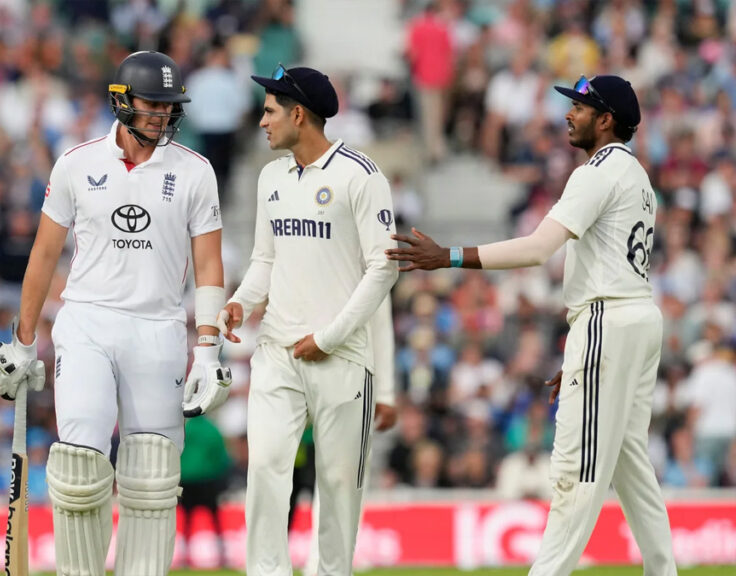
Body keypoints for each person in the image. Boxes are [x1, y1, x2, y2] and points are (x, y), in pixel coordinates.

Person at [386, 74, 677, 576]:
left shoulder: (595, 173)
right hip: (634, 319)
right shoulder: (637, 176)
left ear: (605, 120)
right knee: (631, 465)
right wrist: (586, 354)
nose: (568, 114)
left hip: (608, 320)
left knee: (574, 470)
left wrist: (448, 256)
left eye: (580, 107)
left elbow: (539, 248)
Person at [0, 51, 230, 576]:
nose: (161, 116)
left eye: (168, 107)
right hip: (87, 322)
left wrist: (209, 349)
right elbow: (44, 254)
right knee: (79, 463)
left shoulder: (195, 171)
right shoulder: (76, 163)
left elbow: (209, 264)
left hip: (159, 327)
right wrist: (23, 341)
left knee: (152, 475)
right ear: (121, 102)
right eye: (151, 105)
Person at [217, 64, 399, 575]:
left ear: (298, 114)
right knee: (264, 470)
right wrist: (241, 302)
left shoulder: (361, 176)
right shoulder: (271, 176)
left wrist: (329, 337)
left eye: (270, 112)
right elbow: (265, 259)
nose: (262, 122)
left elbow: (384, 268)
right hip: (277, 351)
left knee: (339, 487)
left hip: (342, 355)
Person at [303, 297, 399, 575]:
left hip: (353, 376)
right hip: (297, 369)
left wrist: (385, 392)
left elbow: (380, 325)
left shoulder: (371, 270)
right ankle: (268, 562)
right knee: (274, 468)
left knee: (346, 475)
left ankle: (329, 561)